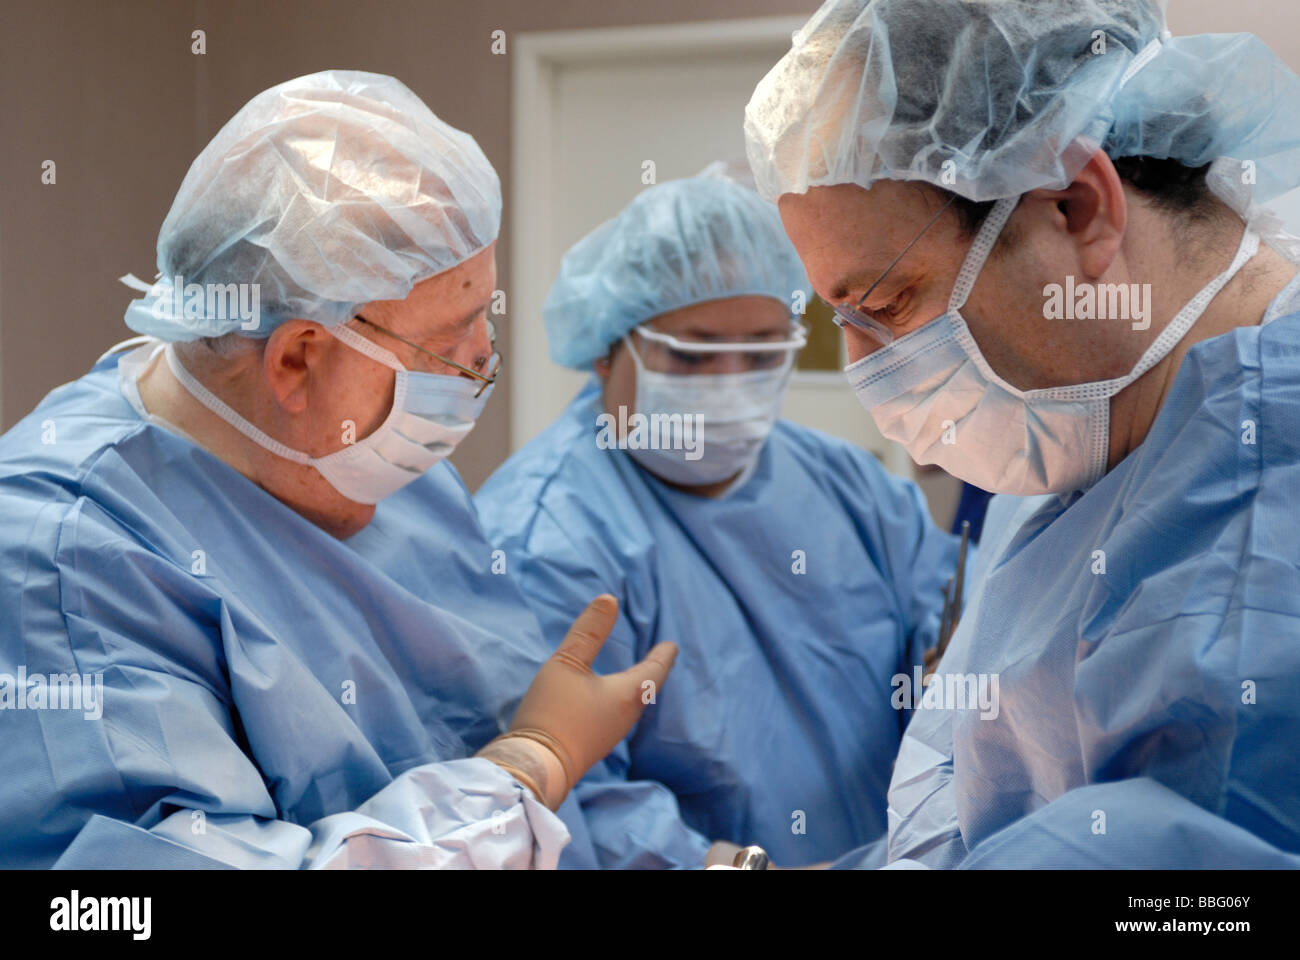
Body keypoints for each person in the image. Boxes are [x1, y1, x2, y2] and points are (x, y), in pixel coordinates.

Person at [0, 70, 681, 869]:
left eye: (483, 329)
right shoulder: (64, 560)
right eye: (450, 342)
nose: (480, 369)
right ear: (296, 358)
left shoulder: (379, 465)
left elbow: (503, 742)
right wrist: (527, 766)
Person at [746, 0, 1300, 867]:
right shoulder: (1079, 428)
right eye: (837, 320)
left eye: (888, 305)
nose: (867, 374)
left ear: (1078, 206)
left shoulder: (1266, 543)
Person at [475, 170, 964, 867]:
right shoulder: (544, 537)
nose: (729, 381)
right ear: (608, 345)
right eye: (692, 353)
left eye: (762, 353)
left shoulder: (847, 484)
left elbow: (951, 638)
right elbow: (554, 801)